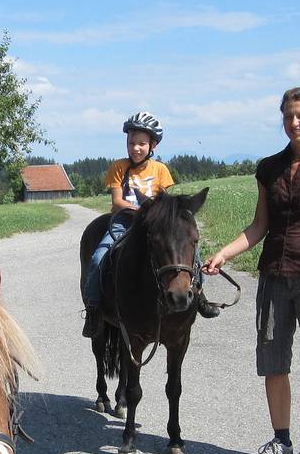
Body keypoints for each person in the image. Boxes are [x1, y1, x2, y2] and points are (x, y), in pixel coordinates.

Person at [202, 87, 300, 454]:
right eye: (287, 116)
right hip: (273, 278)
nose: (294, 122)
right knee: (273, 364)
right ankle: (281, 440)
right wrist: (224, 254)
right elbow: (258, 227)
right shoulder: (269, 168)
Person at [81, 111, 220, 337]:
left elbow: (166, 203)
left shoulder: (160, 170)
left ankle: (200, 297)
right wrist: (144, 211)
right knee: (98, 257)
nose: (136, 148)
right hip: (124, 223)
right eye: (132, 143)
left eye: (142, 144)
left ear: (152, 145)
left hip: (155, 224)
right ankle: (94, 308)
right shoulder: (118, 167)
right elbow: (117, 202)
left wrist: (157, 215)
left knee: (192, 255)